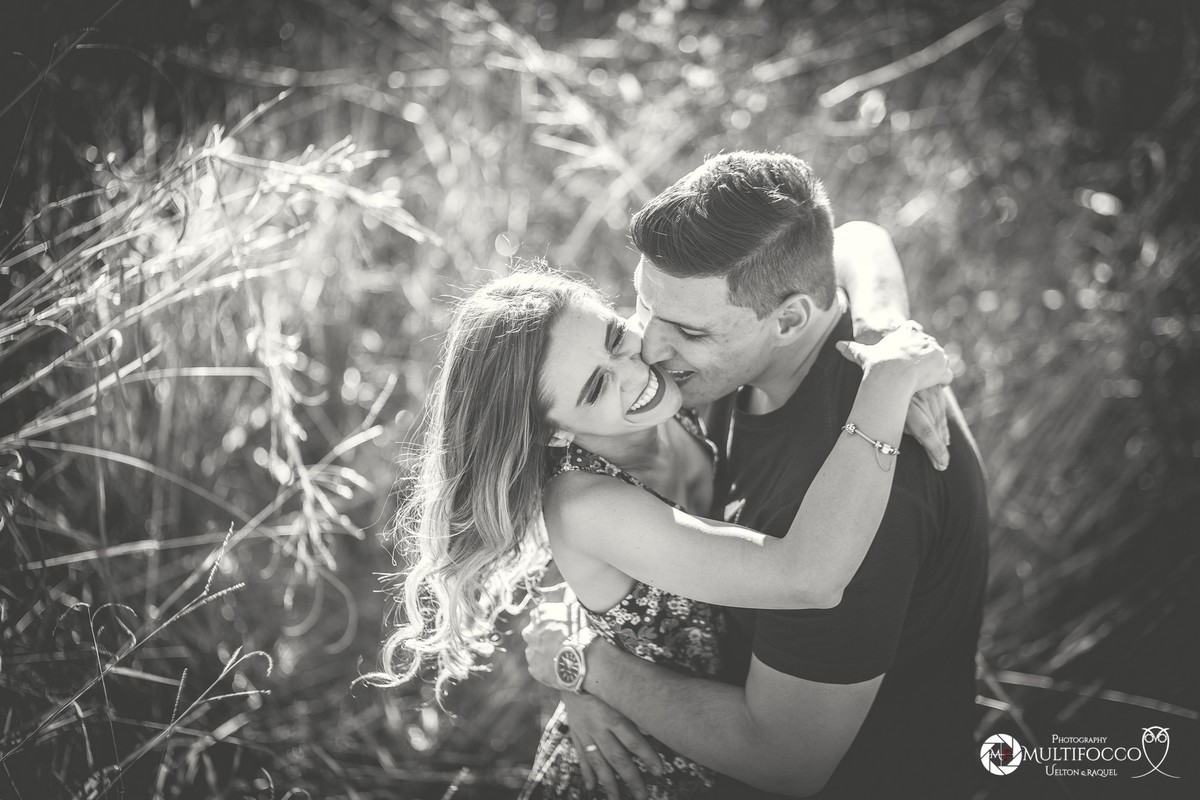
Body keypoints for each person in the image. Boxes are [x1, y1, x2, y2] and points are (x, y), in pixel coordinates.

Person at [365, 259, 952, 799]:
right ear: (553, 433)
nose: (634, 373)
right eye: (597, 387)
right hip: (637, 772)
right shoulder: (587, 504)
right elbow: (804, 577)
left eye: (617, 339)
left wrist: (881, 330)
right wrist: (888, 381)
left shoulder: (680, 390)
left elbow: (853, 240)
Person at [522, 151, 990, 799]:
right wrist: (885, 317)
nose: (651, 350)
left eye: (686, 329)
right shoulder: (746, 361)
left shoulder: (856, 487)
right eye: (642, 305)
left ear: (791, 318)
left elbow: (784, 761)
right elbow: (855, 237)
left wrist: (589, 669)